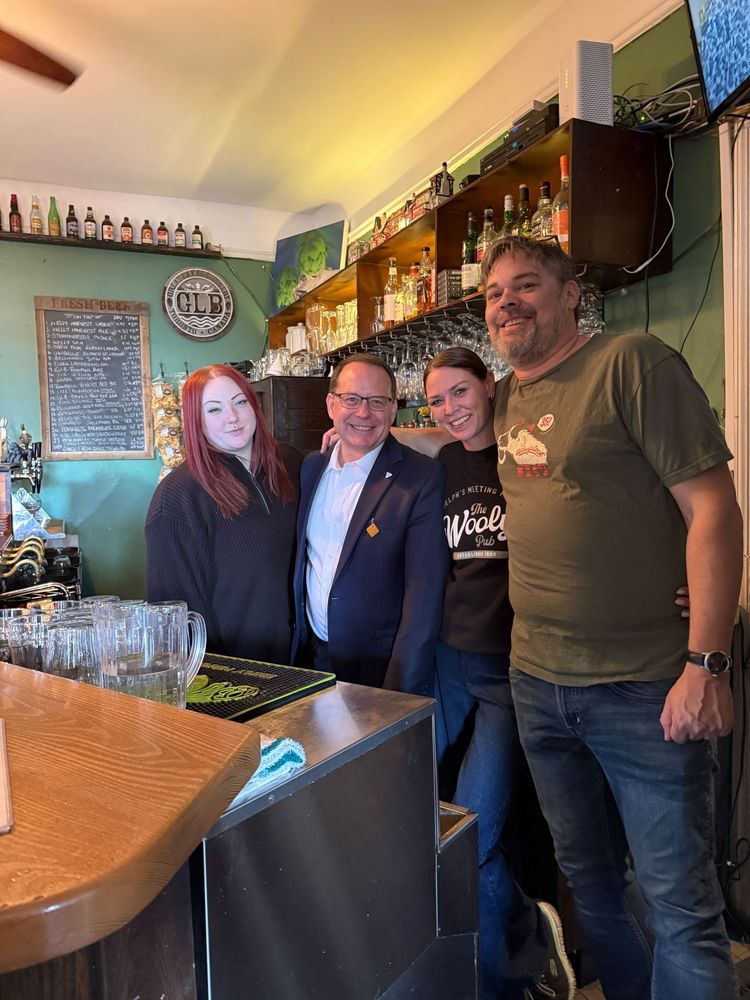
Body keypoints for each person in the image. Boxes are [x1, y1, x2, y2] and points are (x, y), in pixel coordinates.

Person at [481, 235, 743, 1000]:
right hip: (538, 682)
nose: (506, 303)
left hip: (645, 687)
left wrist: (707, 662)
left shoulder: (631, 363)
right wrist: (356, 433)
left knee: (680, 910)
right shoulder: (507, 397)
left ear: (571, 295)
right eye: (494, 293)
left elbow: (714, 509)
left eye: (526, 285)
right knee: (592, 884)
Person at [424, 346, 575, 1000]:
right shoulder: (442, 464)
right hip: (448, 663)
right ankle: (509, 936)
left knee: (472, 837)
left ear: (490, 384)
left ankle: (510, 970)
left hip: (511, 673)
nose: (450, 408)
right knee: (415, 818)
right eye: (437, 400)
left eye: (460, 391)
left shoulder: (526, 455)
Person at [291, 353, 448, 695]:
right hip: (311, 661)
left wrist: (399, 690)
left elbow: (423, 596)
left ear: (392, 410)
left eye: (377, 401)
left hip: (379, 670)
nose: (363, 413)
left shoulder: (421, 477)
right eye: (351, 399)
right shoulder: (311, 467)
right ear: (331, 405)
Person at [145, 363, 301, 663]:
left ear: (255, 405)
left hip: (308, 664)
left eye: (240, 402)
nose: (232, 417)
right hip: (240, 673)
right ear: (196, 420)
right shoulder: (178, 497)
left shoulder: (290, 463)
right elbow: (175, 616)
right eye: (214, 409)